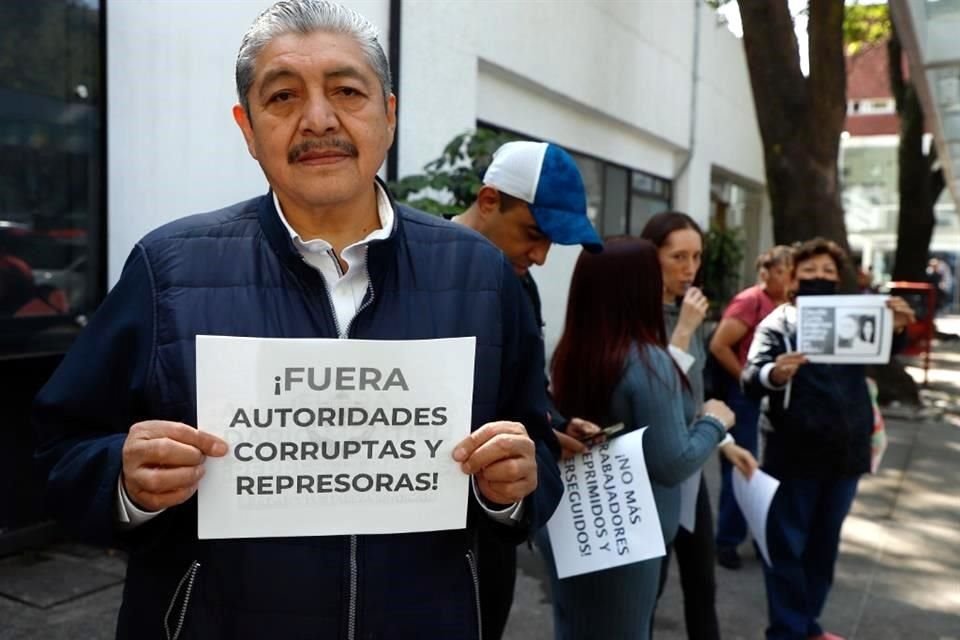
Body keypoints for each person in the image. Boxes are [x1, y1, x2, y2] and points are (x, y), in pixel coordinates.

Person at [32, 2, 562, 638]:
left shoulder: (480, 276)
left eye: (346, 91)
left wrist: (511, 490)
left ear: (388, 115)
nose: (318, 119)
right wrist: (122, 476)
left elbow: (539, 454)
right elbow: (59, 452)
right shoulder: (167, 269)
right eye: (282, 96)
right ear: (248, 129)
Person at [537, 237, 736, 639]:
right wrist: (714, 423)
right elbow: (672, 461)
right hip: (625, 530)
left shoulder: (571, 350)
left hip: (570, 522)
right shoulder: (648, 362)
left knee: (573, 627)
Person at [453, 139, 604, 640]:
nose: (539, 257)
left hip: (498, 524)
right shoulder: (412, 271)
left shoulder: (519, 281)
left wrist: (553, 423)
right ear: (490, 199)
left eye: (550, 244)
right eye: (533, 235)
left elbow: (522, 385)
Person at [743, 238, 914, 640]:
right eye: (810, 271)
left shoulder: (859, 316)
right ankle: (786, 631)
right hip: (793, 456)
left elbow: (888, 351)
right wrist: (776, 374)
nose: (819, 277)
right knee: (787, 549)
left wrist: (900, 327)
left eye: (828, 272)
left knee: (823, 550)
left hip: (845, 455)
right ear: (793, 278)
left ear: (840, 280)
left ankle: (809, 626)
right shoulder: (779, 322)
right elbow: (751, 379)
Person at [640, 211, 757, 640]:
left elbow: (693, 400)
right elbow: (660, 392)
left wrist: (725, 443)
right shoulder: (640, 316)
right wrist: (686, 331)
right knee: (646, 591)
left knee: (702, 584)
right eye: (678, 257)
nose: (690, 268)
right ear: (649, 258)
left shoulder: (686, 309)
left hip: (690, 466)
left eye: (697, 257)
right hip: (653, 471)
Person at [709, 245, 792, 570]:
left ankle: (761, 536)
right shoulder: (750, 301)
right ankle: (727, 540)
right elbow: (719, 344)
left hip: (775, 395)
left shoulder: (787, 304)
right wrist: (747, 376)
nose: (788, 278)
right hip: (745, 396)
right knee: (741, 467)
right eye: (783, 271)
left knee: (768, 468)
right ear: (766, 272)